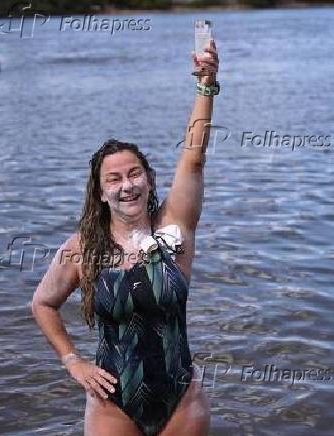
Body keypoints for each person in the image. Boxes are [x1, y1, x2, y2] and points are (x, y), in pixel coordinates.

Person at [31, 37, 219, 436]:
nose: (126, 186)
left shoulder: (174, 227)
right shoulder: (82, 248)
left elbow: (194, 156)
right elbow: (43, 303)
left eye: (134, 174)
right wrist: (73, 362)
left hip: (181, 397)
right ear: (100, 193)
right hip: (112, 403)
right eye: (113, 179)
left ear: (149, 181)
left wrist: (206, 84)